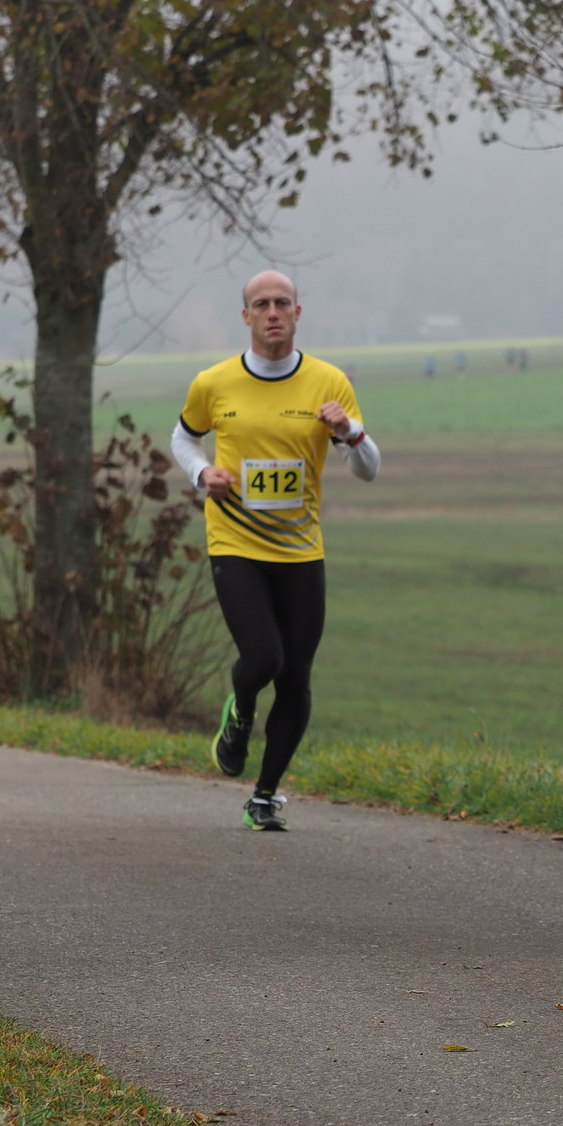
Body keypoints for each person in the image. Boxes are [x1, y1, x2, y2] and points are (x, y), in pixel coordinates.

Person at [170, 270, 379, 831]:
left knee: (296, 678)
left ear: (297, 313)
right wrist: (201, 473)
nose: (272, 313)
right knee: (264, 659)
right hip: (235, 540)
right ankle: (239, 713)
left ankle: (264, 796)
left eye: (282, 303)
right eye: (261, 304)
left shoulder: (328, 382)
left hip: (301, 550)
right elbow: (183, 436)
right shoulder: (214, 382)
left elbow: (368, 470)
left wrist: (349, 431)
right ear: (245, 316)